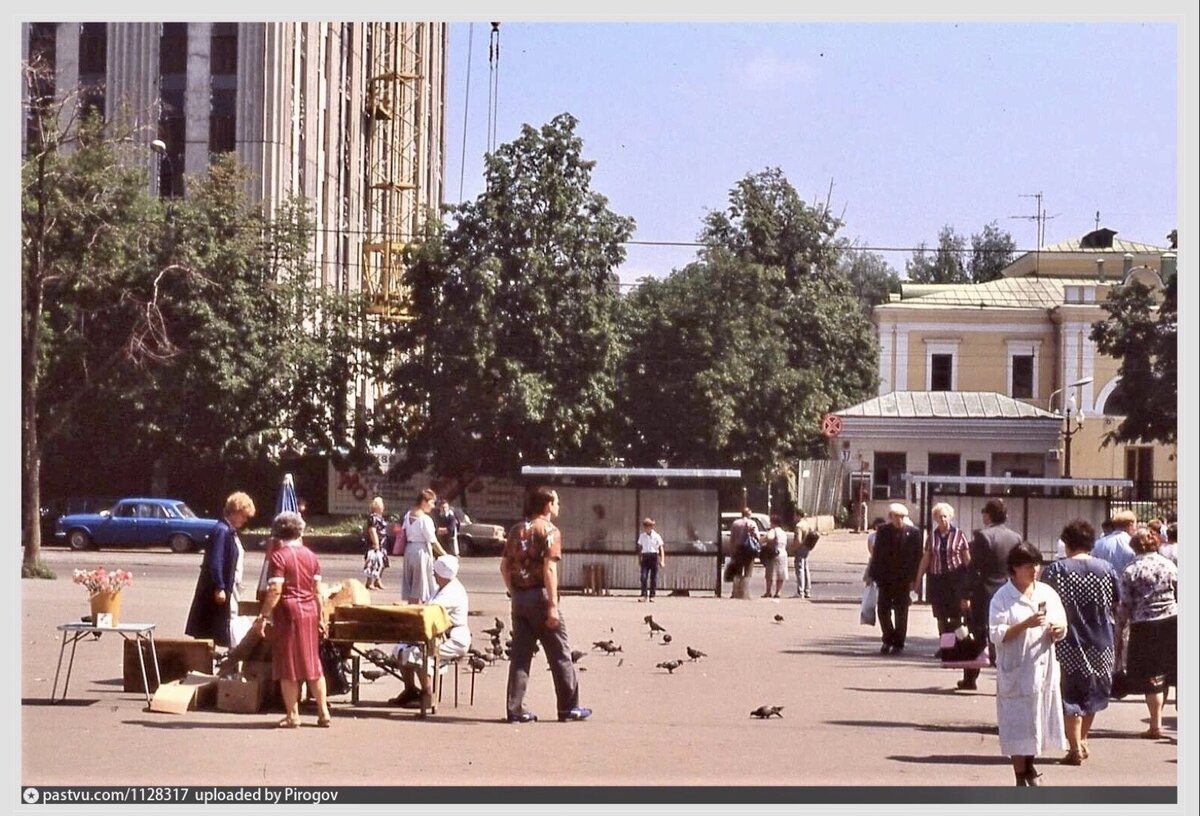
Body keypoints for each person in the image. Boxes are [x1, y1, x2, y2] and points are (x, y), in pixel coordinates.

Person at [500, 486, 590, 723]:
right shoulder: (549, 531)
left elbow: (504, 567)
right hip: (541, 597)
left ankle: (515, 709)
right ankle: (568, 708)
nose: (558, 506)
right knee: (559, 653)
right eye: (556, 502)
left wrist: (514, 591)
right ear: (548, 504)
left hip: (519, 599)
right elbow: (549, 568)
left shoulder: (516, 530)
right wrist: (552, 604)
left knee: (520, 656)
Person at [1040, 518, 1119, 765]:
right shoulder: (1107, 569)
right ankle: (1082, 739)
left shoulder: (1055, 570)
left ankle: (1074, 745)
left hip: (1066, 639)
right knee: (1094, 691)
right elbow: (1117, 601)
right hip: (1101, 639)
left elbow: (1042, 601)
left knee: (1069, 690)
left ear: (1066, 543)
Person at [989, 541, 1068, 786]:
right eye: (1027, 566)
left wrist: (1058, 630)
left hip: (1042, 666)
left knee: (1037, 720)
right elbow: (996, 634)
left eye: (1036, 564)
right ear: (1014, 569)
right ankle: (1020, 775)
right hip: (1016, 667)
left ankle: (1031, 767)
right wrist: (1025, 624)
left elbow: (1061, 622)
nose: (1033, 570)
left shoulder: (1046, 592)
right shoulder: (1002, 597)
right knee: (1016, 723)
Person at [253, 511, 332, 729]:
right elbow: (318, 592)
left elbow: (275, 590)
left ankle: (293, 715)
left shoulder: (279, 557)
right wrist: (322, 618)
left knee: (288, 666)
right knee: (312, 663)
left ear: (278, 533)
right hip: (310, 611)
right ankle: (323, 712)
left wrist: (262, 616)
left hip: (288, 613)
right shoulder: (311, 556)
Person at [1115, 527, 1178, 740]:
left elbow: (1125, 604)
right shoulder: (1169, 565)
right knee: (1170, 671)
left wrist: (1119, 627)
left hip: (1145, 625)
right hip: (1172, 621)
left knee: (1152, 676)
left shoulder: (1131, 570)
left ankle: (1155, 724)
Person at [391, 554, 472, 710]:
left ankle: (427, 694)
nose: (434, 575)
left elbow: (430, 611)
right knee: (400, 649)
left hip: (453, 639)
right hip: (436, 635)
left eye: (436, 572)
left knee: (420, 653)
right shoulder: (440, 588)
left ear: (443, 574)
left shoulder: (453, 592)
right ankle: (410, 690)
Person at [963, 498, 1023, 689]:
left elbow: (974, 567)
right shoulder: (1016, 537)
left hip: (984, 590)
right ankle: (1010, 679)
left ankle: (970, 678)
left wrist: (965, 594)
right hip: (1008, 589)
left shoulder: (983, 536)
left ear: (987, 515)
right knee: (1006, 634)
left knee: (978, 633)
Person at [185, 491, 256, 648]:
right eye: (243, 516)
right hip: (219, 588)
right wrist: (220, 586)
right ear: (235, 511)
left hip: (228, 586)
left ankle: (221, 655)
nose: (245, 520)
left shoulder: (228, 531)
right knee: (220, 623)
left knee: (219, 625)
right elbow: (215, 561)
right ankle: (221, 658)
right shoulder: (222, 531)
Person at [914, 502, 972, 667]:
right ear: (935, 519)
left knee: (955, 616)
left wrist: (973, 581)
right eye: (940, 517)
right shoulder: (932, 537)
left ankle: (955, 646)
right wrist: (918, 579)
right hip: (938, 581)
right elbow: (926, 559)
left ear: (950, 517)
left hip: (956, 580)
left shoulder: (959, 535)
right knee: (940, 616)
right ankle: (944, 646)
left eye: (945, 516)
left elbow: (967, 560)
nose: (943, 520)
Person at [866, 502, 923, 655]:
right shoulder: (883, 531)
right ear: (890, 517)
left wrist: (915, 580)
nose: (899, 520)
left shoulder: (914, 533)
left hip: (903, 580)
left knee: (901, 611)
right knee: (882, 610)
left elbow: (918, 558)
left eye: (902, 517)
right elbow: (877, 554)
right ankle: (887, 638)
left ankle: (898, 642)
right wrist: (872, 575)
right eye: (896, 517)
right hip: (885, 578)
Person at [401, 489, 445, 605]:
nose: (433, 506)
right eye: (432, 502)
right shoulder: (425, 519)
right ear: (424, 502)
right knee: (422, 584)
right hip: (421, 551)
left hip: (409, 550)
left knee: (413, 587)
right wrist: (445, 555)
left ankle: (411, 610)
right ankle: (419, 613)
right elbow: (433, 541)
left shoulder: (408, 515)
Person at [1092, 509, 1136, 575]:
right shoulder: (1133, 544)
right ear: (1131, 524)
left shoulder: (1098, 544)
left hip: (1104, 582)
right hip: (1125, 583)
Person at [723, 508, 759, 588]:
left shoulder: (735, 523)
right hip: (749, 550)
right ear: (749, 514)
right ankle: (745, 591)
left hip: (738, 549)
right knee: (748, 571)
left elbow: (732, 538)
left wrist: (732, 551)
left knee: (737, 571)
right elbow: (757, 536)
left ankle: (735, 591)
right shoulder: (752, 523)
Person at [635, 517, 666, 602]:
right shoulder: (642, 536)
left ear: (652, 527)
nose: (647, 528)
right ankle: (644, 595)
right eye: (645, 526)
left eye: (648, 526)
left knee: (653, 577)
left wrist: (662, 560)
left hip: (653, 556)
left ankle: (652, 595)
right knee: (643, 577)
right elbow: (640, 548)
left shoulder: (656, 536)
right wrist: (639, 558)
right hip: (645, 556)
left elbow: (661, 548)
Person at [363, 495, 388, 590]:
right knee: (373, 562)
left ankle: (378, 580)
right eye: (382, 505)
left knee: (383, 562)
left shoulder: (380, 517)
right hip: (376, 543)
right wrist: (376, 543)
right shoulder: (373, 517)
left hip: (383, 543)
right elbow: (372, 530)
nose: (383, 507)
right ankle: (369, 582)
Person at [761, 515, 788, 599]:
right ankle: (778, 592)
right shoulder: (783, 532)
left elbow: (769, 537)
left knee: (770, 574)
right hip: (783, 553)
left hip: (773, 554)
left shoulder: (773, 531)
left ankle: (768, 592)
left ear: (773, 522)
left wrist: (763, 539)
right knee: (781, 574)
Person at [794, 529, 817, 598]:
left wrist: (795, 549)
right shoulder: (807, 525)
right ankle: (807, 591)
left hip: (801, 548)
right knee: (806, 569)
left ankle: (800, 591)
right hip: (807, 548)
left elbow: (798, 540)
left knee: (800, 569)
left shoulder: (799, 526)